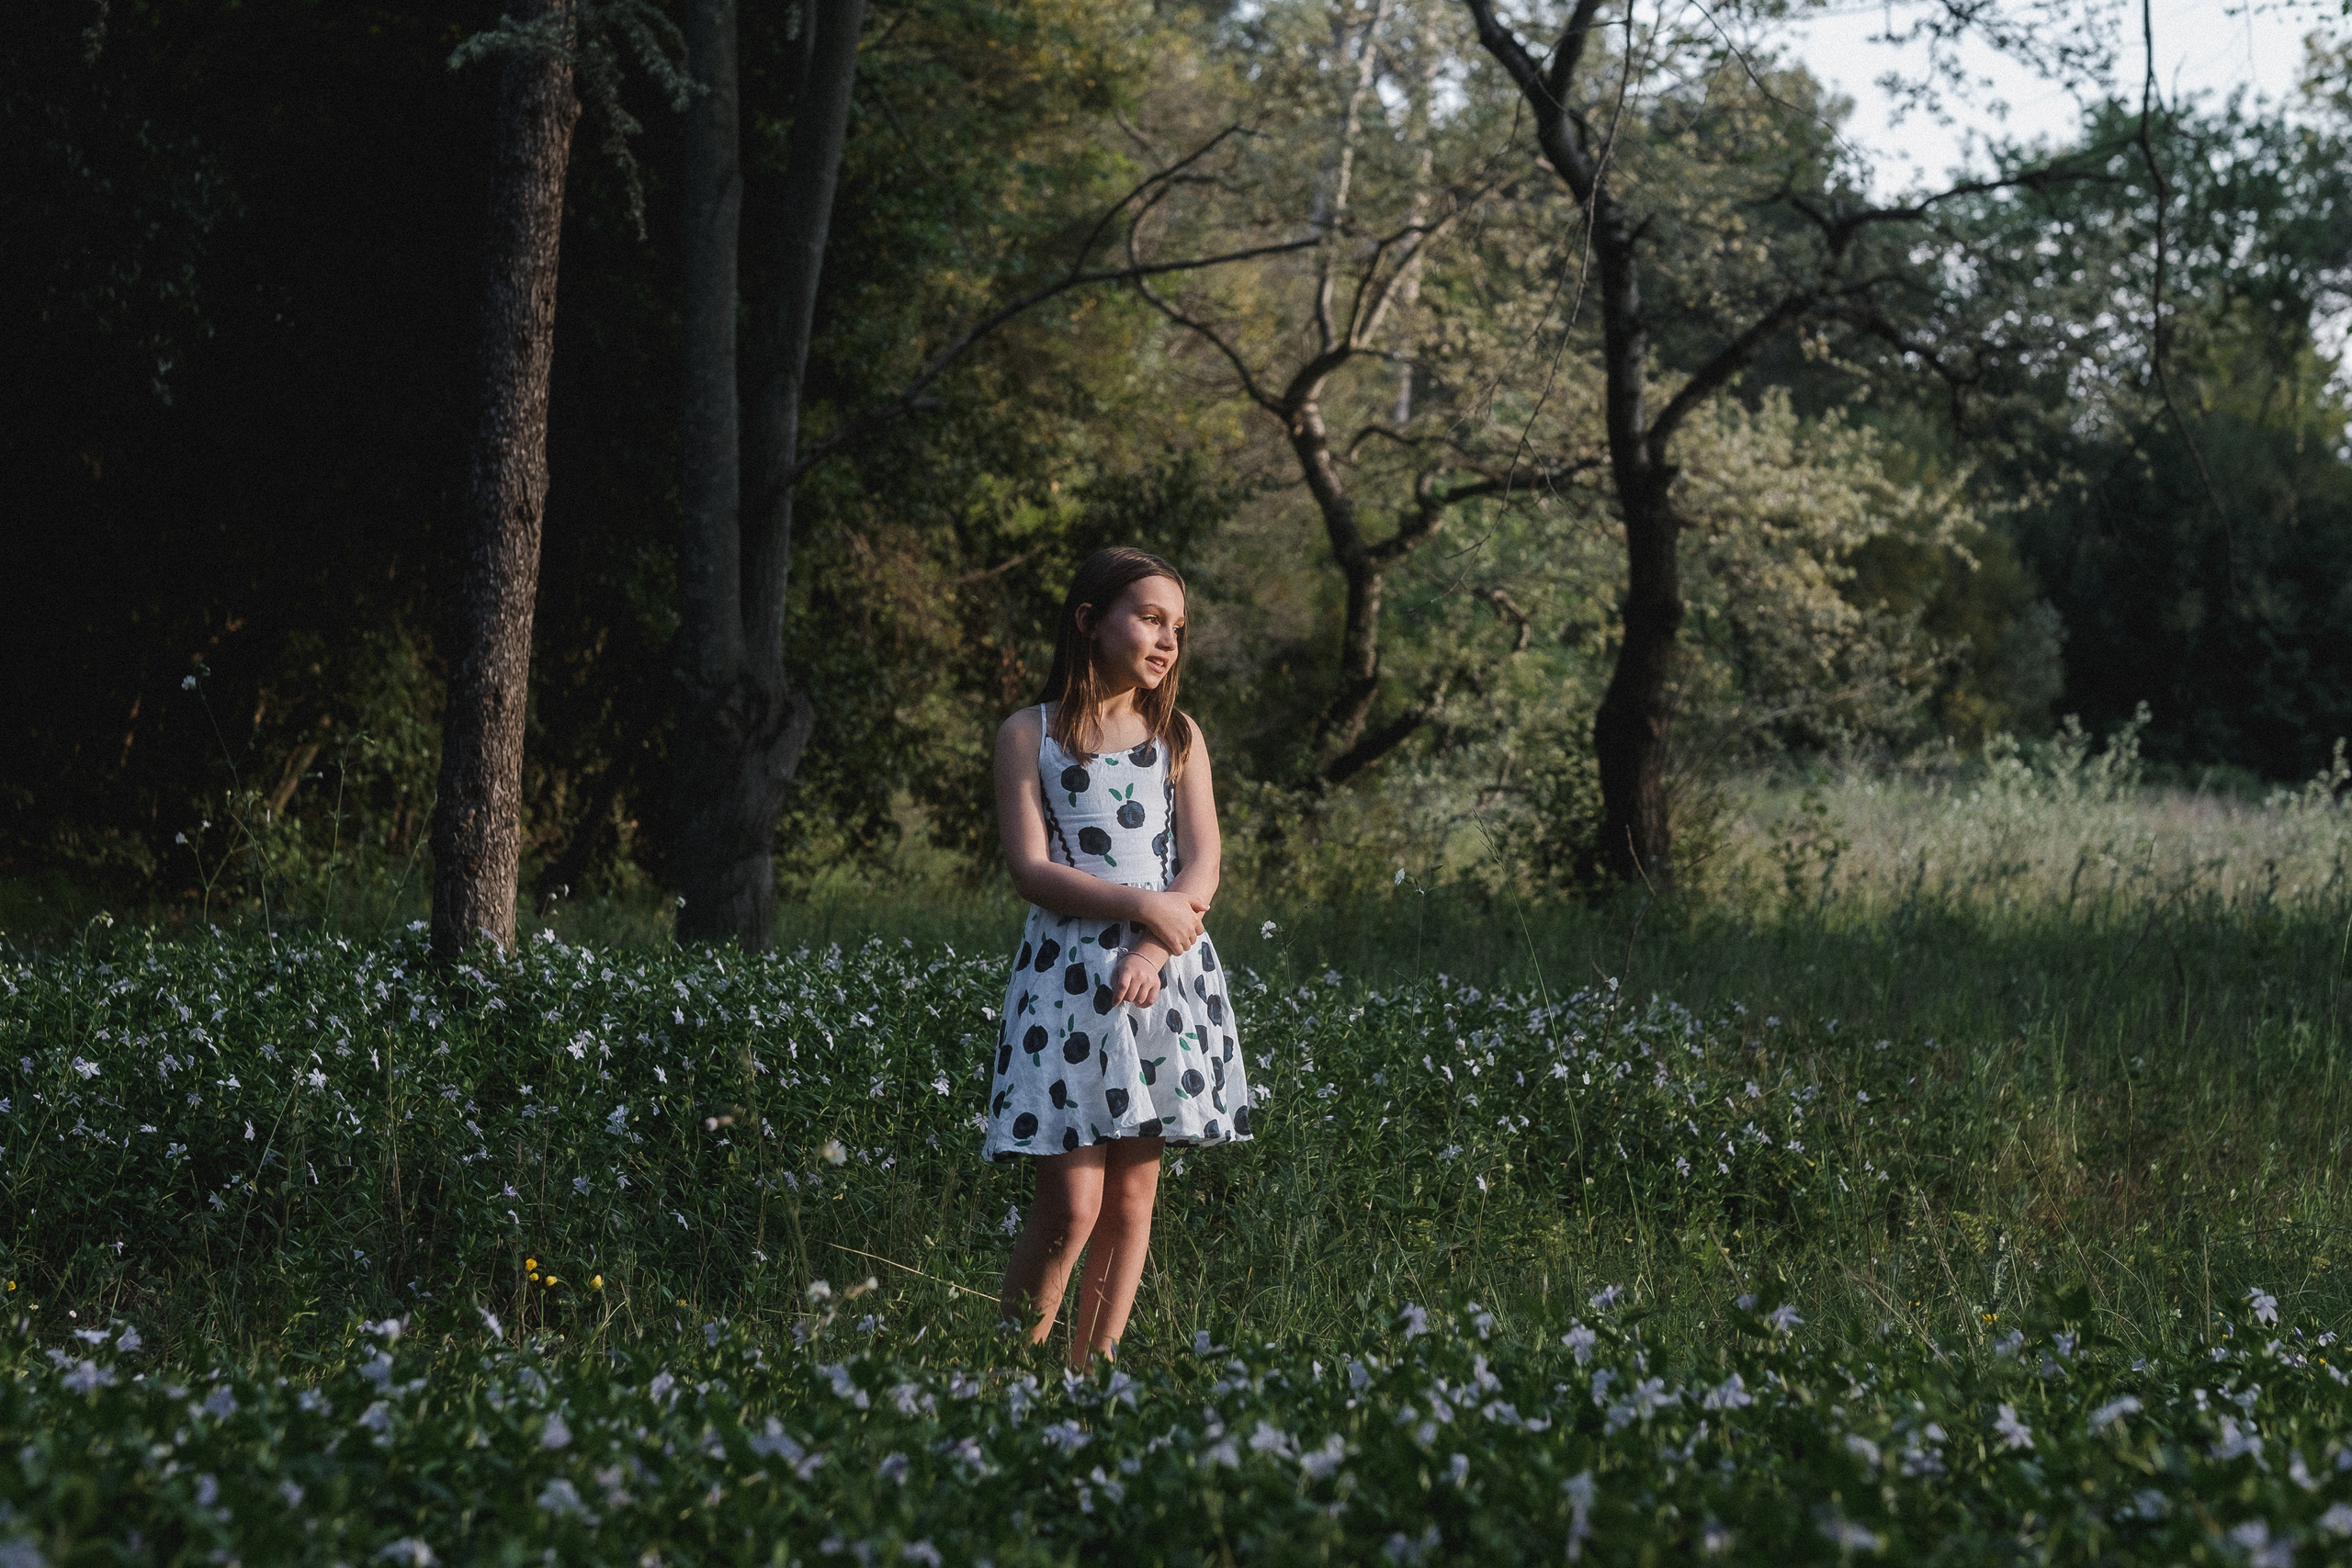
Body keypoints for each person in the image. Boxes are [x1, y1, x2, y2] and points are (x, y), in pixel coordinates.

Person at [986, 546, 1250, 1369]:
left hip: (1162, 973)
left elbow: (1202, 865)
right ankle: (1007, 1372)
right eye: (1149, 617)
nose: (1168, 639)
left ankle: (1084, 1380)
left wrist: (1152, 943)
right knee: (1072, 1202)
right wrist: (1142, 908)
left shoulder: (1178, 735)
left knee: (1132, 1199)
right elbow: (1032, 869)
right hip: (1068, 982)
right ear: (1090, 620)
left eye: (1178, 626)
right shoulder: (1028, 734)